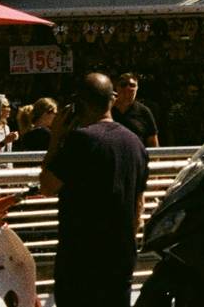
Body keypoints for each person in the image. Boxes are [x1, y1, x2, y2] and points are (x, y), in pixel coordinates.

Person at [40, 73, 150, 307]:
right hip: (121, 256)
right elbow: (138, 207)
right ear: (112, 99)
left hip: (82, 258)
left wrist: (55, 137)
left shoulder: (81, 141)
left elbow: (47, 185)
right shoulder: (135, 143)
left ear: (80, 104)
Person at [112, 73, 160, 148]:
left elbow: (153, 143)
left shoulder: (144, 112)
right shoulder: (107, 109)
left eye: (132, 85)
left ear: (137, 88)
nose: (127, 88)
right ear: (116, 87)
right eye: (123, 85)